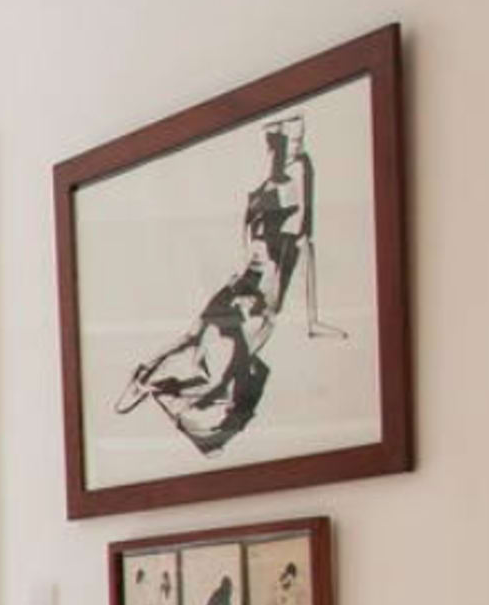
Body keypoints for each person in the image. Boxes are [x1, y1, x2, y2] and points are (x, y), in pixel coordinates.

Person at [114, 109, 332, 457]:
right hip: (253, 290)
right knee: (204, 356)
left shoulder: (281, 199)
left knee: (202, 353)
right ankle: (152, 382)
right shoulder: (278, 202)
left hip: (252, 288)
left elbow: (287, 243)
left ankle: (152, 382)